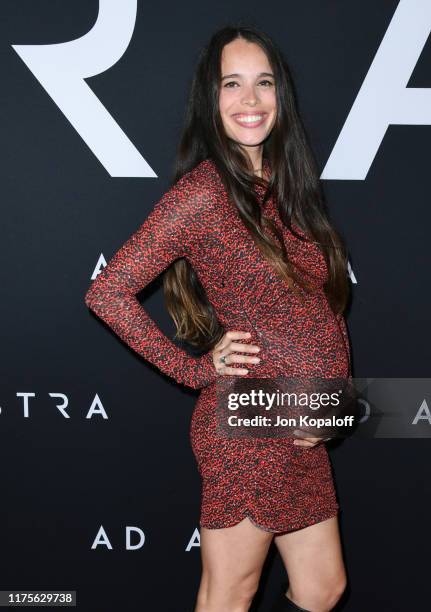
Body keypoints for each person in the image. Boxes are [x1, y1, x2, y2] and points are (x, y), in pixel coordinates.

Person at [85, 25, 352, 612]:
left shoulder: (291, 189)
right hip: (247, 424)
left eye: (263, 84)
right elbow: (108, 292)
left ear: (282, 96)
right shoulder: (204, 193)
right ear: (211, 99)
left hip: (302, 424)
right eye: (232, 85)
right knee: (231, 593)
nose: (250, 101)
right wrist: (194, 371)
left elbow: (324, 314)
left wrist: (332, 404)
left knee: (321, 587)